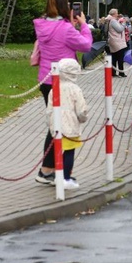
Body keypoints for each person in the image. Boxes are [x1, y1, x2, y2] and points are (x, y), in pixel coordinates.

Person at [33, 0, 92, 185]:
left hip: (46, 79)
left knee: (54, 123)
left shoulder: (42, 25)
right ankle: (48, 171)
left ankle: (50, 170)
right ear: (64, 7)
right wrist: (83, 26)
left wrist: (71, 27)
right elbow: (85, 46)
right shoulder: (66, 29)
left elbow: (55, 38)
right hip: (63, 82)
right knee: (59, 126)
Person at [46, 58, 88, 190]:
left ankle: (59, 175)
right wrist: (83, 118)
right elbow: (81, 110)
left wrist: (51, 123)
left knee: (59, 150)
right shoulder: (75, 89)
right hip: (70, 126)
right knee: (69, 152)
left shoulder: (54, 89)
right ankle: (65, 178)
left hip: (57, 124)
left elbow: (49, 109)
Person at [106, 9, 128, 77]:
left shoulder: (110, 20)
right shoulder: (113, 21)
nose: (117, 14)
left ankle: (113, 72)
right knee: (120, 57)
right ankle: (121, 72)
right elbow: (120, 29)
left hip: (113, 41)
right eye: (116, 13)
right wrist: (123, 23)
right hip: (117, 41)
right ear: (114, 14)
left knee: (114, 57)